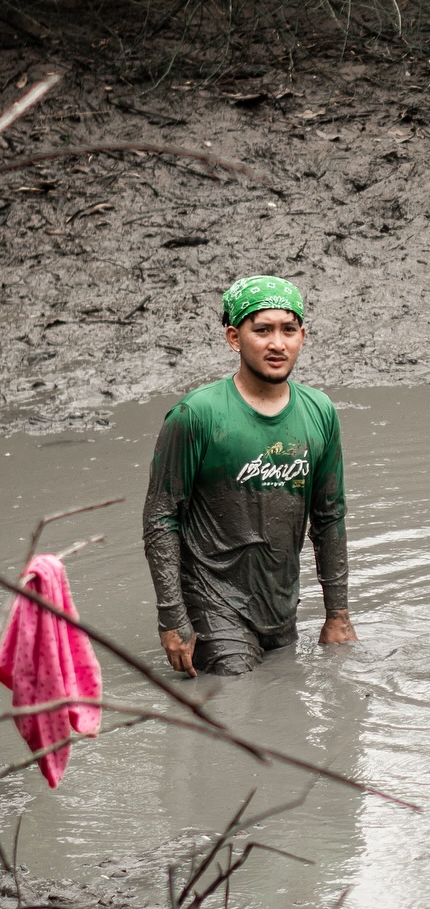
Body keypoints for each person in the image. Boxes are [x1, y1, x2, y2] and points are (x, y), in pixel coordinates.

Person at [142, 276, 356, 677]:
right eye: (262, 330)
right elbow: (160, 518)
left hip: (280, 605)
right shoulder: (196, 415)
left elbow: (330, 516)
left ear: (302, 336)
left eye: (288, 330)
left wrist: (337, 614)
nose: (277, 343)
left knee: (283, 712)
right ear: (234, 338)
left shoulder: (320, 412)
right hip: (211, 601)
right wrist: (172, 617)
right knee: (235, 693)